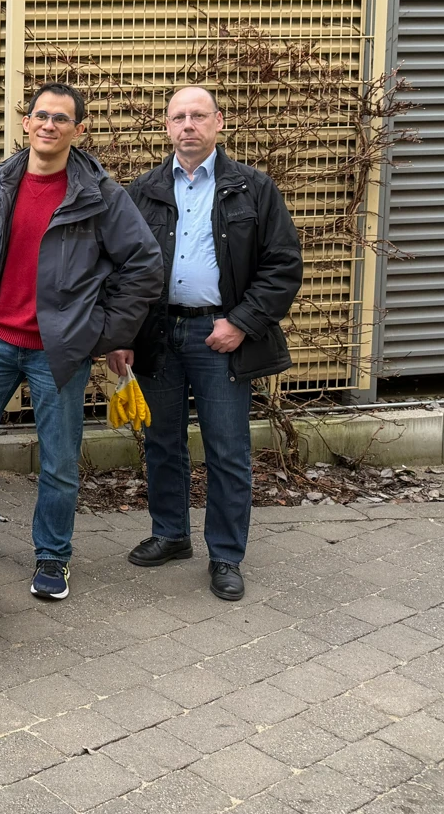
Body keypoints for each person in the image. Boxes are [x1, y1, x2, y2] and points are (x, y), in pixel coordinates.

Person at [0, 82, 162, 601]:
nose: (49, 125)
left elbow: (145, 266)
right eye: (41, 115)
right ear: (26, 123)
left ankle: (52, 556)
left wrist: (102, 334)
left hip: (57, 351)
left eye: (61, 119)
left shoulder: (100, 194)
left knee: (59, 460)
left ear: (78, 130)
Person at [107, 86, 303, 601]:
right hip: (157, 334)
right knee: (162, 442)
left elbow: (282, 266)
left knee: (228, 449)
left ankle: (225, 555)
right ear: (166, 127)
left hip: (220, 336)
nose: (188, 125)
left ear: (219, 122)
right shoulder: (143, 190)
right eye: (178, 117)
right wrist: (121, 335)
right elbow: (121, 268)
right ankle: (171, 535)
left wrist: (240, 322)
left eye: (198, 116)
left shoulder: (253, 188)